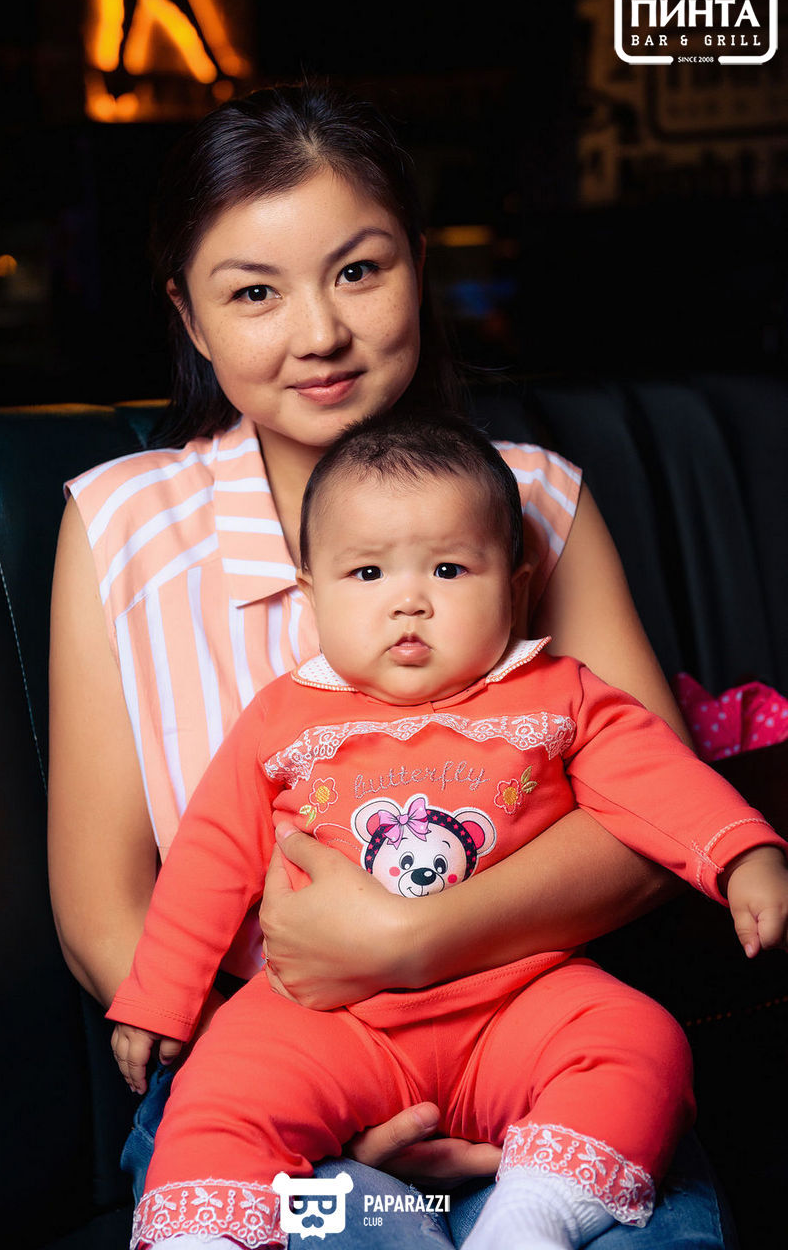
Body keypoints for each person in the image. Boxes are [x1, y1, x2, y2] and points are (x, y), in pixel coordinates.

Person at [48, 83, 739, 1249]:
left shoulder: (538, 498)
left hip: (537, 1045)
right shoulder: (122, 524)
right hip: (256, 1070)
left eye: (359, 271)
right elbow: (99, 909)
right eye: (255, 292)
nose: (319, 331)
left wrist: (416, 943)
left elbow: (652, 819)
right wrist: (312, 1072)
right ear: (191, 318)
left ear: (418, 265)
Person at [106, 410, 788, 1250]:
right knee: (219, 1090)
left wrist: (743, 851)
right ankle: (203, 1235)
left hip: (518, 1000)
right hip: (327, 1018)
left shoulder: (559, 694)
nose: (409, 601)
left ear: (517, 585)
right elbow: (210, 857)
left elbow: (657, 780)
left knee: (639, 1042)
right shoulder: (282, 719)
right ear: (311, 596)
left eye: (448, 568)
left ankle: (535, 1212)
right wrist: (160, 997)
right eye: (366, 572)